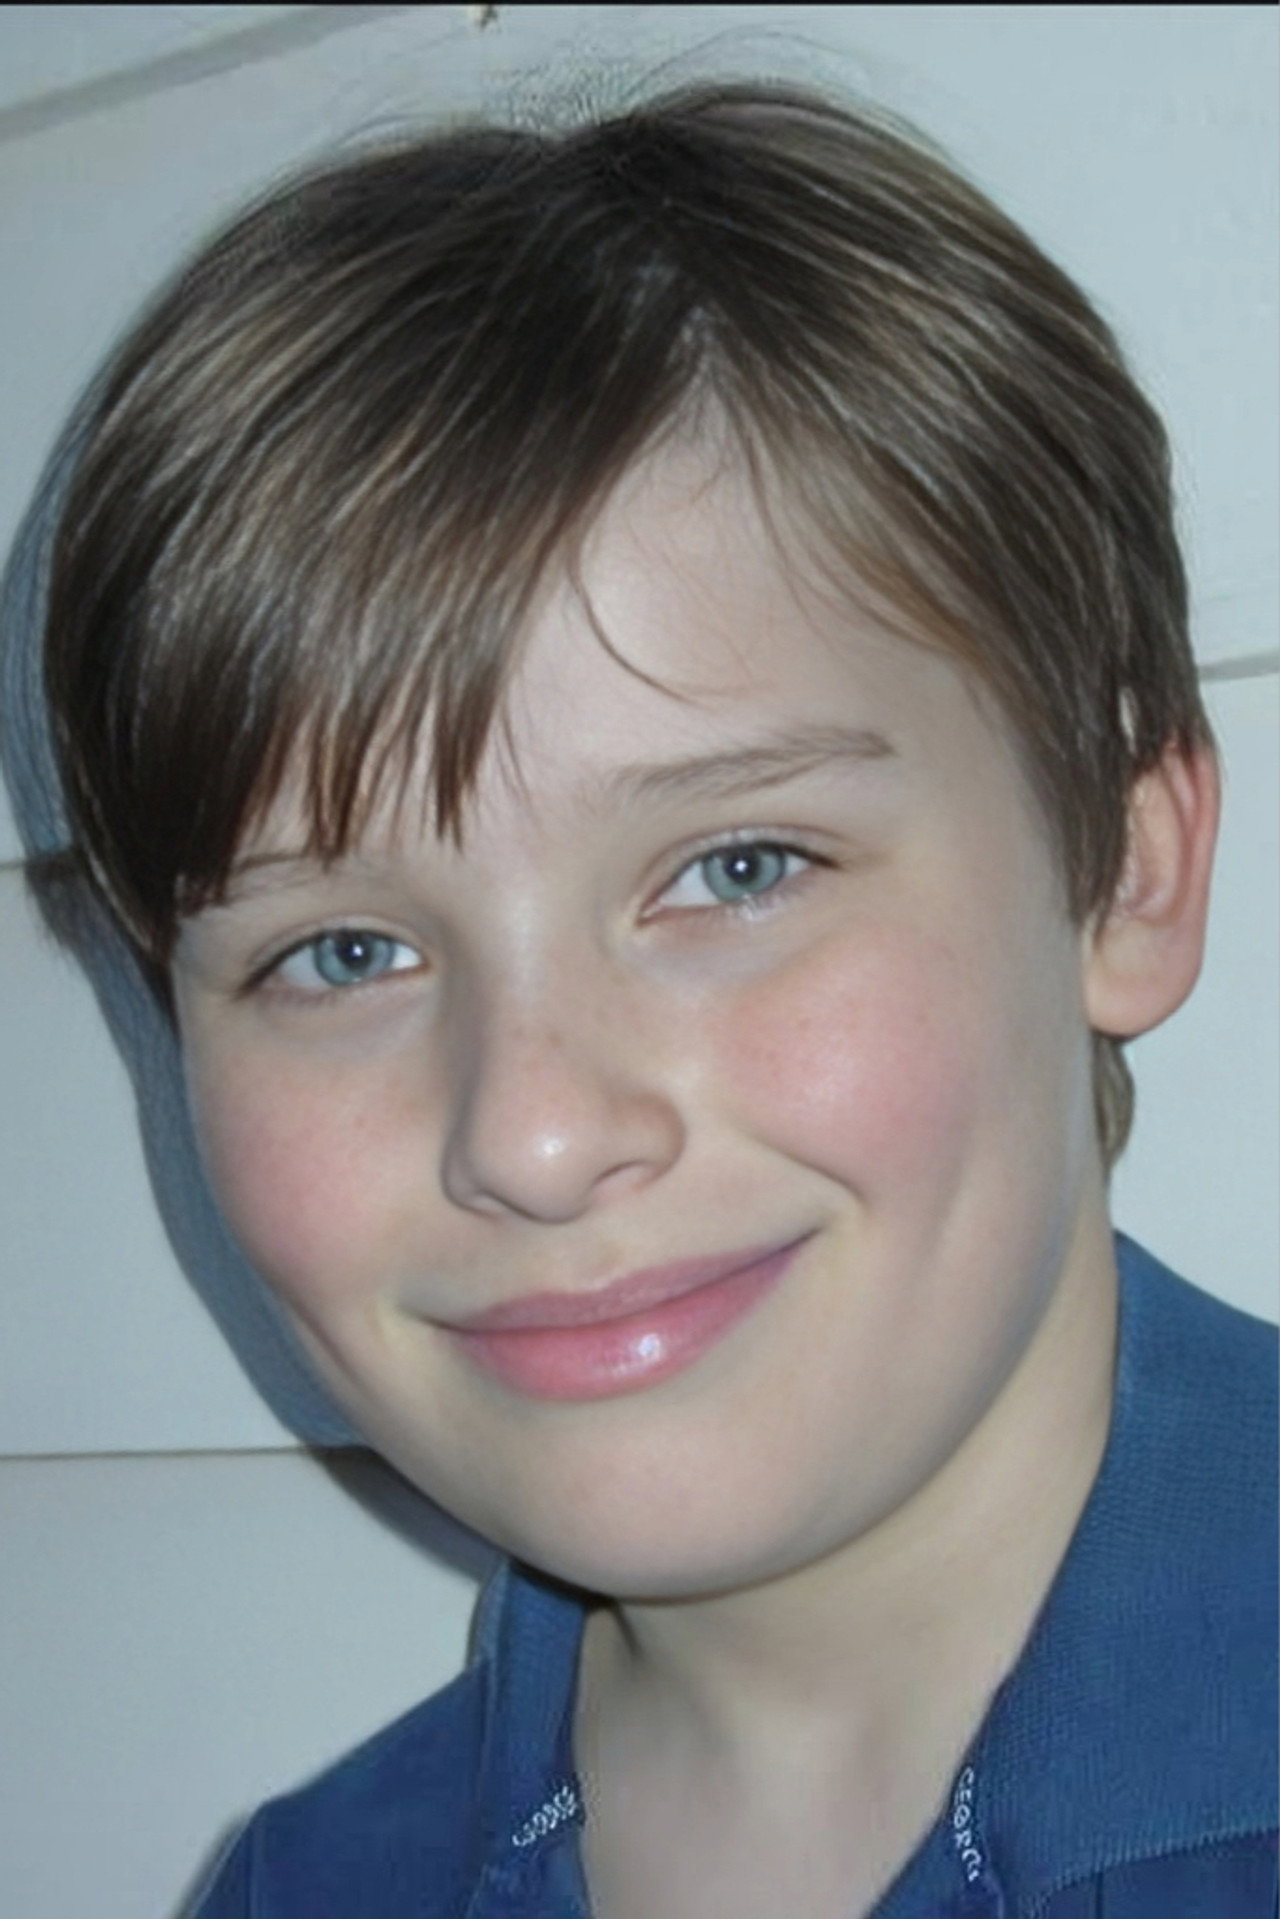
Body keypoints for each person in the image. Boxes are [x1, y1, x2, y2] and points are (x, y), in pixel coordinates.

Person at [1, 77, 1274, 1919]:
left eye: (737, 868)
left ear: (1124, 870)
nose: (532, 1134)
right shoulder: (304, 1890)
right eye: (342, 952)